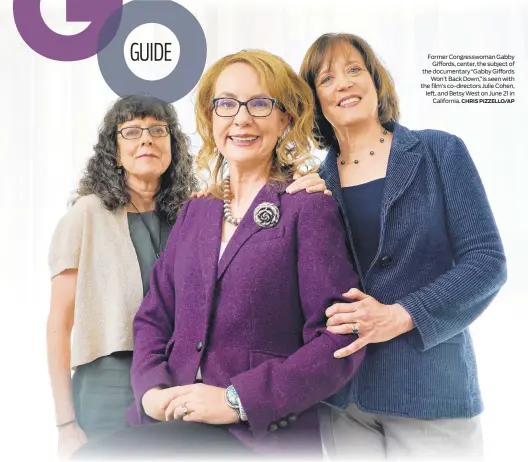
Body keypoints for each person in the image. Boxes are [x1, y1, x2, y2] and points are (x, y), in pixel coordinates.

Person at [72, 49, 366, 460]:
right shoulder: (197, 210)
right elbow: (154, 317)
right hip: (170, 420)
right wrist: (152, 390)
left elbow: (339, 337)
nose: (241, 118)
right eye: (226, 104)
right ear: (211, 119)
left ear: (286, 119)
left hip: (255, 434)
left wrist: (236, 400)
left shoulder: (308, 207)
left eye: (260, 104)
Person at [286, 32, 507, 460]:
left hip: (429, 394)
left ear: (375, 80)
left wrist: (402, 315)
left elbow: (487, 262)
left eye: (354, 70)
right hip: (343, 399)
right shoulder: (314, 184)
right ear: (314, 99)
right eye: (327, 78)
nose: (345, 83)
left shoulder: (438, 151)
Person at [46, 94, 198, 459]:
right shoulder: (86, 215)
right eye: (131, 131)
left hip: (179, 383)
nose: (146, 139)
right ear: (114, 152)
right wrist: (66, 425)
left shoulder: (193, 213)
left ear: (173, 147)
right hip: (107, 386)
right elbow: (59, 325)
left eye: (158, 130)